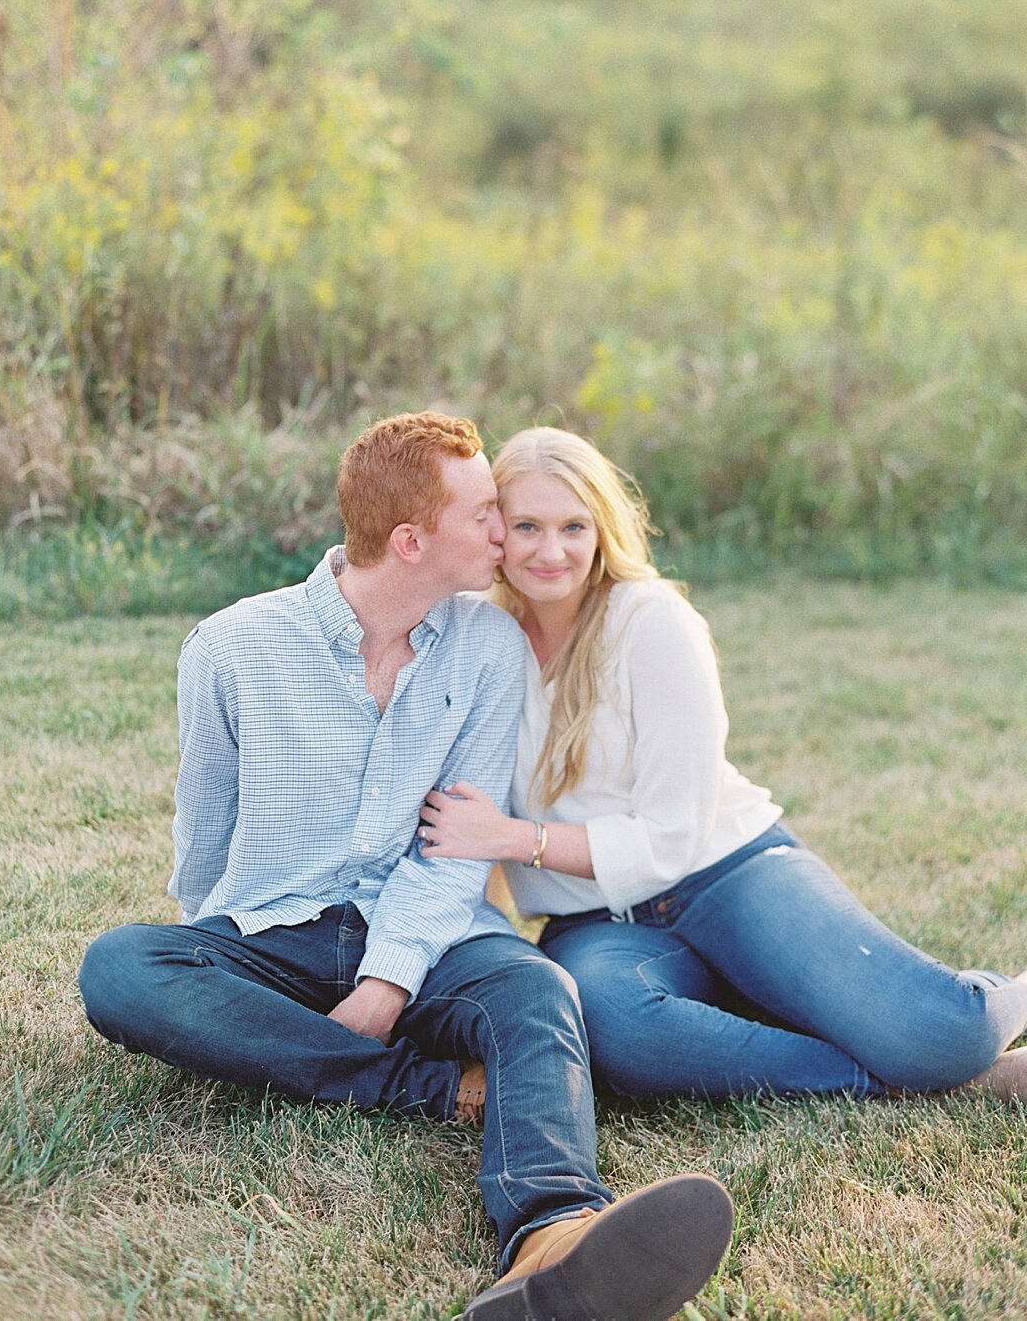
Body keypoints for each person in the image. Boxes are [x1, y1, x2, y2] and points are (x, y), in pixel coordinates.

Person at [78, 412, 734, 1321]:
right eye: (486, 517)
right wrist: (218, 980)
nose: (505, 534)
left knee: (537, 991)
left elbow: (450, 846)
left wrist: (388, 980)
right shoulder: (231, 648)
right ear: (411, 540)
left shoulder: (486, 646)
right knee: (121, 966)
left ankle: (554, 1233)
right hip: (277, 929)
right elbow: (207, 829)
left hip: (430, 927)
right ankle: (428, 1089)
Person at [419, 426, 1027, 1106]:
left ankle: (981, 1031)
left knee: (943, 1035)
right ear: (496, 530)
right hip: (594, 924)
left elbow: (671, 836)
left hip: (726, 875)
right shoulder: (476, 638)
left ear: (602, 529)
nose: (551, 550)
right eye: (527, 525)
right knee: (620, 1036)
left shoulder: (650, 621)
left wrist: (514, 839)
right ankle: (918, 1085)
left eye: (573, 526)